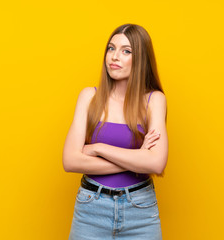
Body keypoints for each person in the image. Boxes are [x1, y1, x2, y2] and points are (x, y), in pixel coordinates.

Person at [62, 23, 168, 240]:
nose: (114, 57)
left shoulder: (154, 100)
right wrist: (138, 159)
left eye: (126, 51)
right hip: (91, 209)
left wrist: (98, 148)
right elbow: (70, 161)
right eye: (111, 48)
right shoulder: (89, 97)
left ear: (141, 59)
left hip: (140, 210)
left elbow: (156, 164)